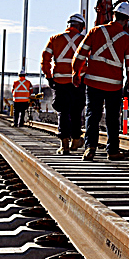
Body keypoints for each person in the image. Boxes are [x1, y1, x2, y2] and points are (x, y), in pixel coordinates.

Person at [73, 1, 129, 161]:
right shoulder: (127, 40)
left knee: (92, 115)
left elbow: (80, 55)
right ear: (128, 20)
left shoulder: (96, 31)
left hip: (93, 83)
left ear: (113, 15)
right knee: (112, 118)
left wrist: (76, 73)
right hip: (113, 86)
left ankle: (90, 148)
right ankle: (112, 150)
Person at [42, 13, 87, 155]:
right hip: (78, 82)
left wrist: (49, 77)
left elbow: (45, 60)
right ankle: (75, 140)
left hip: (60, 82)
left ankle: (64, 145)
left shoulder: (54, 39)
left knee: (63, 112)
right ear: (80, 26)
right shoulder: (84, 40)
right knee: (76, 111)